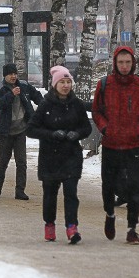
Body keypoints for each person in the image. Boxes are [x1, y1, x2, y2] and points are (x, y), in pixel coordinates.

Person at [92, 46, 139, 245]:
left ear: (133, 64)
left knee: (135, 187)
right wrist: (105, 128)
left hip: (134, 145)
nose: (124, 66)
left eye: (127, 62)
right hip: (111, 144)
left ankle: (132, 229)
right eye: (120, 62)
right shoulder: (104, 84)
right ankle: (110, 214)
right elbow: (96, 111)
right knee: (108, 185)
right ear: (115, 63)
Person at [26, 66, 92, 243]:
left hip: (71, 155)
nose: (65, 85)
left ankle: (72, 228)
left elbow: (86, 127)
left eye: (68, 82)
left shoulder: (77, 104)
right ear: (55, 85)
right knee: (50, 194)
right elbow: (31, 129)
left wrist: (76, 134)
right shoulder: (45, 105)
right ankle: (49, 224)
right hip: (50, 157)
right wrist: (51, 135)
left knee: (71, 193)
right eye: (62, 82)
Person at [0, 63, 44, 200]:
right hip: (5, 132)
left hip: (21, 130)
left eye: (15, 73)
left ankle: (20, 190)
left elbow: (37, 96)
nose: (13, 76)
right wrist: (11, 94)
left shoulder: (24, 86)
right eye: (10, 74)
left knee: (22, 162)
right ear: (5, 75)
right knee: (3, 162)